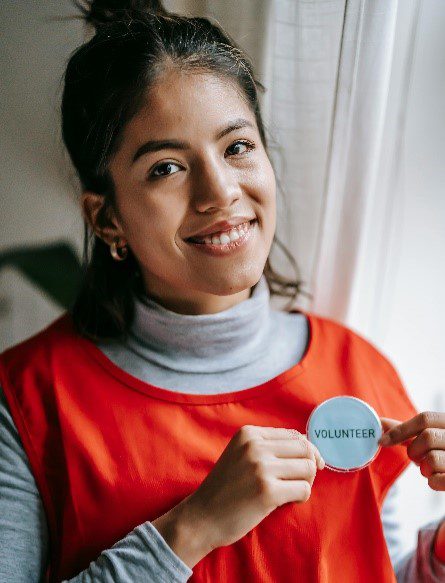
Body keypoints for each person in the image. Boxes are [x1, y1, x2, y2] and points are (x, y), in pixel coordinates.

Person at [1, 1, 445, 581]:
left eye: (237, 148)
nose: (220, 192)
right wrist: (195, 527)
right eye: (165, 167)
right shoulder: (27, 402)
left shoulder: (360, 369)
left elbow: (379, 566)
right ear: (106, 218)